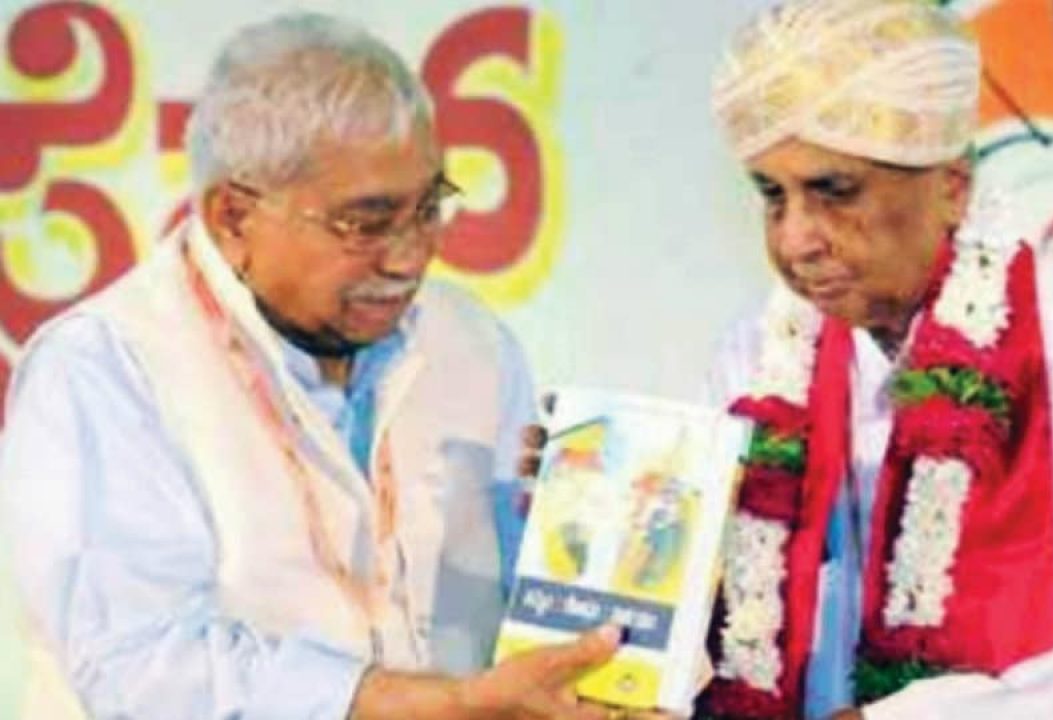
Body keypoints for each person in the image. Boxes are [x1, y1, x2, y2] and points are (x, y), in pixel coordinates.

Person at [0, 12, 623, 719]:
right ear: (234, 217)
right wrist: (438, 705)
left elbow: (511, 612)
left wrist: (577, 550)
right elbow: (144, 669)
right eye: (366, 224)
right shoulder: (106, 368)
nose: (410, 257)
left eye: (428, 209)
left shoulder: (473, 343)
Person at [696, 1, 1053, 718]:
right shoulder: (758, 351)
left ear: (951, 188)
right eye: (772, 195)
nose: (796, 240)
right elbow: (711, 612)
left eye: (834, 192)